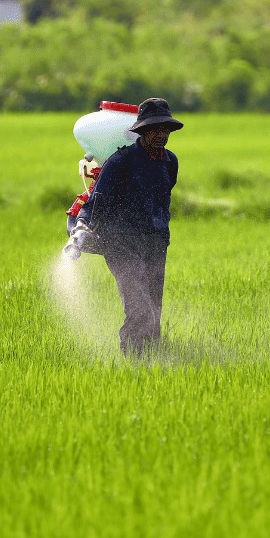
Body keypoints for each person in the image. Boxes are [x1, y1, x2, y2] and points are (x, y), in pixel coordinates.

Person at [73, 98, 183, 356]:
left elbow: (163, 198)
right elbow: (97, 200)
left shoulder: (170, 161)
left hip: (156, 241)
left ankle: (153, 357)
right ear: (142, 131)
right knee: (139, 305)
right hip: (120, 241)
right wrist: (81, 226)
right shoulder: (121, 161)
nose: (160, 135)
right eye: (154, 130)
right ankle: (132, 359)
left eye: (164, 129)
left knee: (154, 306)